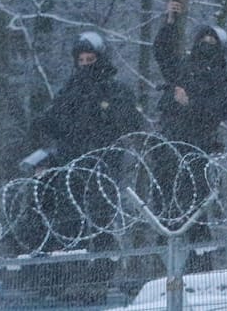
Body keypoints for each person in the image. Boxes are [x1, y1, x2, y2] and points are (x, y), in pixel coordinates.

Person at [29, 30, 142, 252]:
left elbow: (130, 122)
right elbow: (54, 121)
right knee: (68, 223)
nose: (85, 65)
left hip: (102, 166)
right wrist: (42, 125)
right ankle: (73, 273)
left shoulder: (115, 90)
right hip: (69, 165)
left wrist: (105, 116)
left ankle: (99, 274)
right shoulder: (70, 90)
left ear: (101, 59)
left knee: (100, 224)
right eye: (81, 61)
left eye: (91, 60)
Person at [149, 0, 227, 232]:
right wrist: (170, 21)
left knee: (194, 213)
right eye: (204, 39)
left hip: (197, 150)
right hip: (168, 148)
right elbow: (163, 53)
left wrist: (190, 103)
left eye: (212, 42)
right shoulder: (182, 69)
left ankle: (200, 264)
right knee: (165, 211)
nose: (206, 45)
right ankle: (166, 262)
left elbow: (219, 111)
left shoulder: (223, 82)